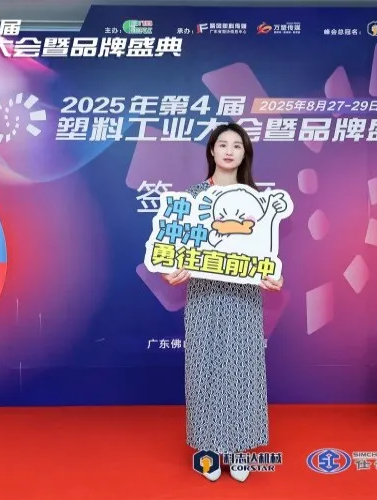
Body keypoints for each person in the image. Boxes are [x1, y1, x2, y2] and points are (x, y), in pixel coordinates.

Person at [162, 123, 283, 483]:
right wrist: (171, 268)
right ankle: (208, 448)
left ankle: (240, 448)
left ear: (245, 154)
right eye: (223, 144)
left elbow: (267, 252)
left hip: (243, 296)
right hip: (204, 295)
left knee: (243, 368)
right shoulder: (193, 196)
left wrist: (272, 276)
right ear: (212, 151)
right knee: (206, 368)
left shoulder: (258, 200)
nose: (229, 151)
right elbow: (173, 246)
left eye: (237, 145)